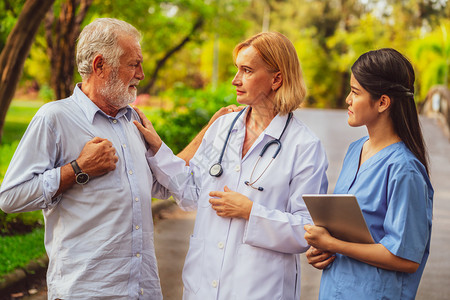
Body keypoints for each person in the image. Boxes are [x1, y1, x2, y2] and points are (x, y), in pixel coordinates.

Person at [0, 18, 233, 299]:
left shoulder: (132, 121)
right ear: (100, 65)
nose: (142, 74)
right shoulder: (55, 119)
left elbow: (163, 182)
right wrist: (77, 169)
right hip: (86, 292)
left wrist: (209, 131)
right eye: (133, 64)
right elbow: (10, 197)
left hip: (141, 290)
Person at [133, 32, 329, 300]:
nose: (235, 80)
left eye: (247, 71)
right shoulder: (223, 129)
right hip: (204, 284)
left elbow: (307, 230)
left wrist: (251, 212)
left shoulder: (304, 146)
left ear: (277, 79)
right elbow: (191, 194)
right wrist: (159, 149)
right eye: (237, 70)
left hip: (261, 288)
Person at [304, 48, 433, 299]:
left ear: (383, 102)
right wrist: (323, 249)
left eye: (355, 92)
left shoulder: (404, 169)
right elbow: (353, 232)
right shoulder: (356, 150)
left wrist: (333, 244)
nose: (347, 100)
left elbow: (406, 258)